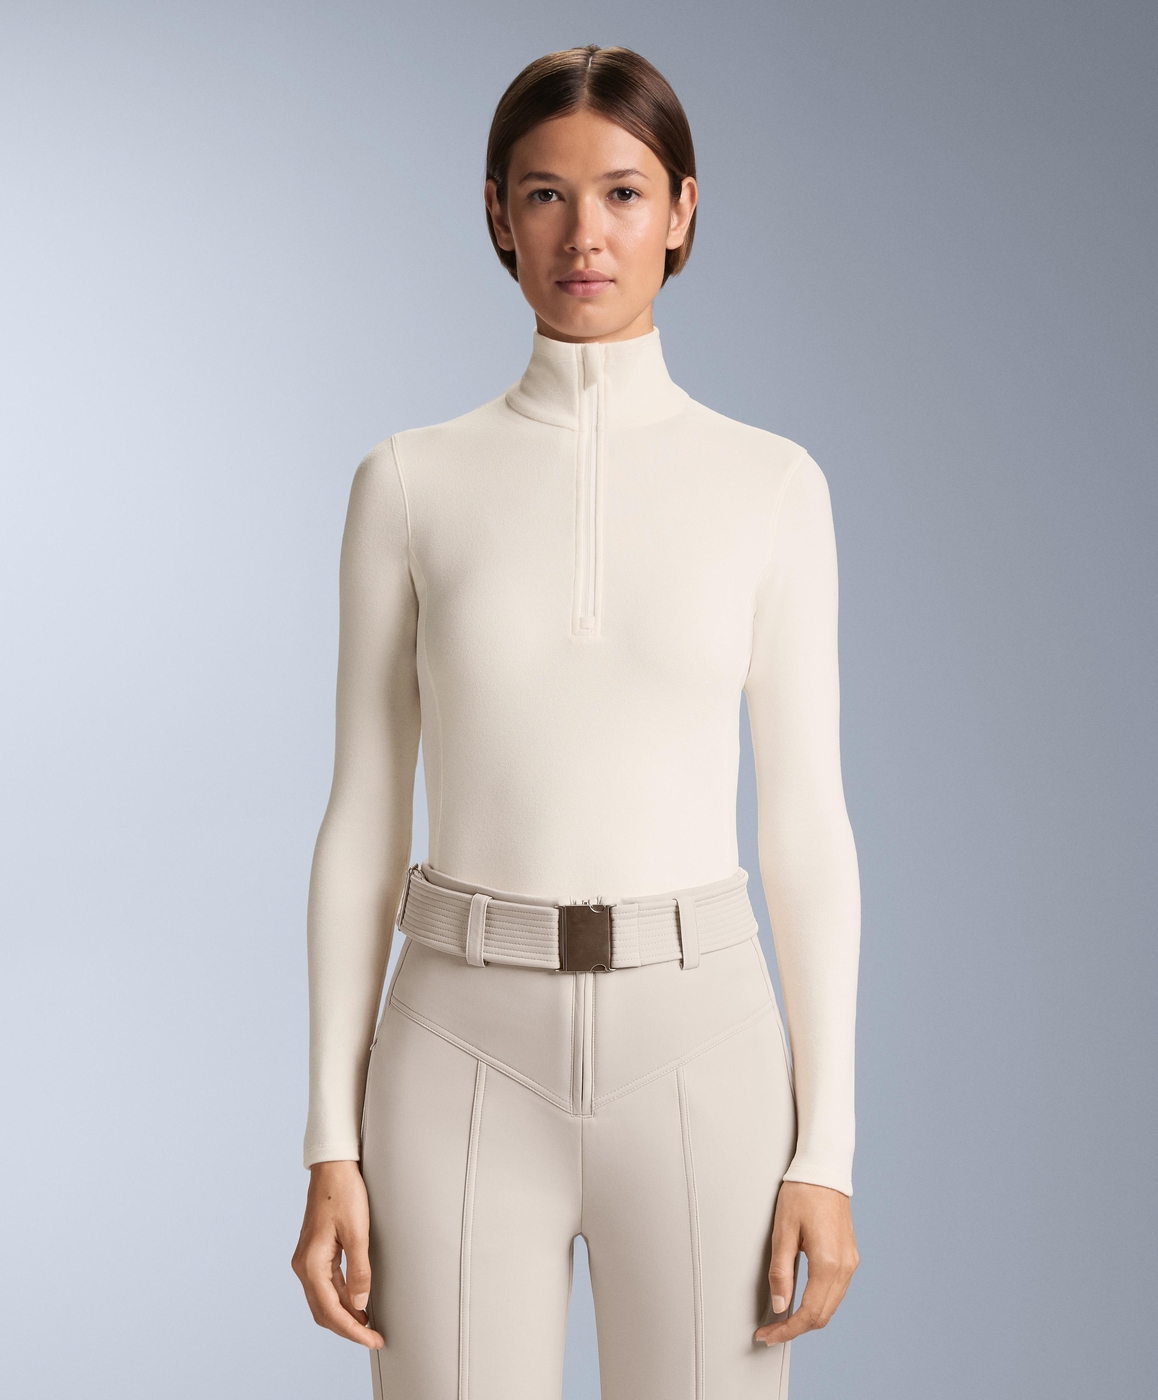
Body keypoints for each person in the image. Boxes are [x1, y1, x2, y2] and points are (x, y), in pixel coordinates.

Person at [292, 43, 861, 1400]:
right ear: (498, 214)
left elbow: (805, 827)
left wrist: (824, 1151)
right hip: (455, 1047)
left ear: (682, 210)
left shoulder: (772, 487)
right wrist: (329, 1139)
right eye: (545, 194)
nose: (584, 234)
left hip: (704, 1046)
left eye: (621, 192)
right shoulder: (408, 484)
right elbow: (362, 819)